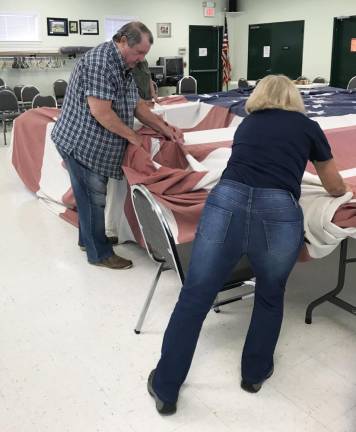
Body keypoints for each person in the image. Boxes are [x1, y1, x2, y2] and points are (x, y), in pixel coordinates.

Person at [147, 74, 352, 415]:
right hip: (279, 212)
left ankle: (166, 387)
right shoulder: (307, 127)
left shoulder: (248, 124)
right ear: (293, 98)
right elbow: (332, 184)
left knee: (195, 295)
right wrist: (342, 189)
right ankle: (253, 375)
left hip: (226, 202)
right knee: (270, 295)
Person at [51, 21, 183, 269]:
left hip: (92, 142)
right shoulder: (100, 63)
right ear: (122, 41)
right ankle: (99, 253)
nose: (141, 58)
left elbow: (136, 105)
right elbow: (102, 112)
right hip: (81, 143)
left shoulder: (125, 63)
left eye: (145, 53)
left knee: (87, 196)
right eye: (139, 52)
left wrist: (165, 128)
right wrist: (134, 138)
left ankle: (88, 239)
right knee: (93, 198)